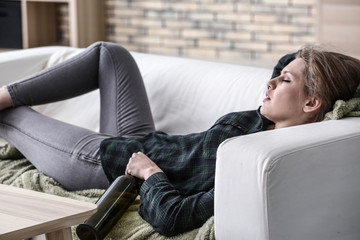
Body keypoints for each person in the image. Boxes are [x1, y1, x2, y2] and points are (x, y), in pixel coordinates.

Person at [0, 42, 359, 236]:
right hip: (144, 138)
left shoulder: (248, 167)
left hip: (103, 162)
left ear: (312, 103)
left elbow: (173, 218)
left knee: (10, 116)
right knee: (110, 54)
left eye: (284, 81)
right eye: (277, 77)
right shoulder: (268, 116)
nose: (269, 84)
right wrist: (307, 71)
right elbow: (290, 59)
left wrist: (150, 174)